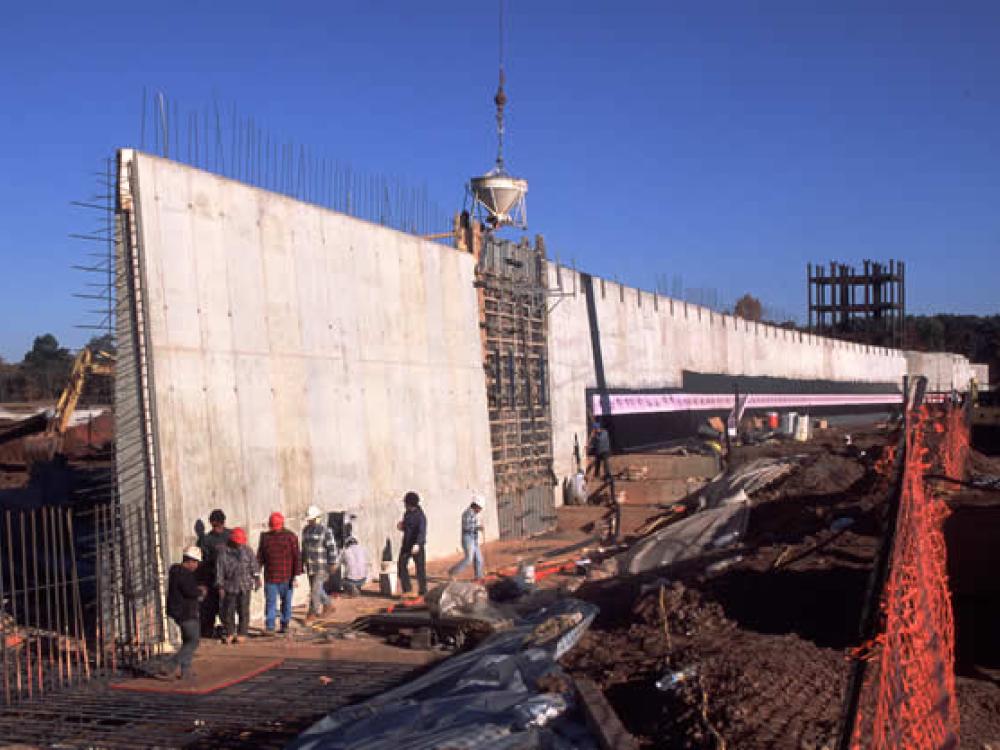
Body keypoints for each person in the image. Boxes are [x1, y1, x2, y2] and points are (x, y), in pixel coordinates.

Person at [161, 546, 205, 681]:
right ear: (190, 561)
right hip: (186, 612)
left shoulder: (176, 572)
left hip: (179, 612)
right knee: (193, 641)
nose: (197, 566)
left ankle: (185, 670)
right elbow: (189, 592)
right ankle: (170, 664)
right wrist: (200, 592)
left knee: (187, 641)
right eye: (196, 562)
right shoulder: (184, 574)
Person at [257, 512, 302, 634]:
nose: (274, 530)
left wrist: (296, 576)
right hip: (271, 578)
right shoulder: (265, 537)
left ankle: (285, 625)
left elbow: (297, 556)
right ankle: (270, 626)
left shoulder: (291, 537)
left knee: (286, 603)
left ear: (282, 525)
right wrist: (256, 573)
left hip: (287, 577)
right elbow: (260, 556)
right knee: (271, 603)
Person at [215, 528, 260, 644]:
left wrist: (257, 579)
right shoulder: (224, 552)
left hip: (245, 585)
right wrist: (220, 586)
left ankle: (242, 633)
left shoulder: (247, 551)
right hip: (230, 587)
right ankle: (230, 632)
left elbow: (254, 566)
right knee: (229, 611)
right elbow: (220, 570)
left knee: (244, 610)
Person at [300, 505, 338, 622]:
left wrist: (332, 563)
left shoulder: (326, 531)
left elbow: (332, 548)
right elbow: (304, 548)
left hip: (322, 566)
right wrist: (302, 562)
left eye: (311, 519)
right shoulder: (305, 531)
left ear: (317, 518)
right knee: (316, 589)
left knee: (315, 590)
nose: (310, 521)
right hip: (310, 565)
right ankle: (328, 605)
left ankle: (312, 612)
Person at [197, 509, 231, 637]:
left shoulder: (230, 536)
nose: (216, 528)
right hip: (212, 578)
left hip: (229, 579)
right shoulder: (206, 540)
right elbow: (202, 562)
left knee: (228, 606)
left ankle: (229, 629)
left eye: (218, 525)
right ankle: (208, 630)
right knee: (210, 607)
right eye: (214, 525)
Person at [396, 491, 427, 597]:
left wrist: (418, 544)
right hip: (406, 545)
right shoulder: (407, 513)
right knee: (401, 565)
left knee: (420, 570)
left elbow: (422, 532)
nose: (404, 505)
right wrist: (402, 526)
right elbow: (407, 527)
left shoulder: (420, 517)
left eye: (406, 503)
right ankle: (407, 590)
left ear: (411, 504)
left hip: (417, 546)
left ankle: (423, 592)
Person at [448, 495, 485, 581]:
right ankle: (453, 571)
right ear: (475, 505)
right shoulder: (467, 513)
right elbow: (467, 527)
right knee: (469, 559)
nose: (480, 510)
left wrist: (478, 527)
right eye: (480, 508)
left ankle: (478, 577)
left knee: (479, 559)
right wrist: (478, 527)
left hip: (474, 538)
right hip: (468, 539)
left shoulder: (474, 513)